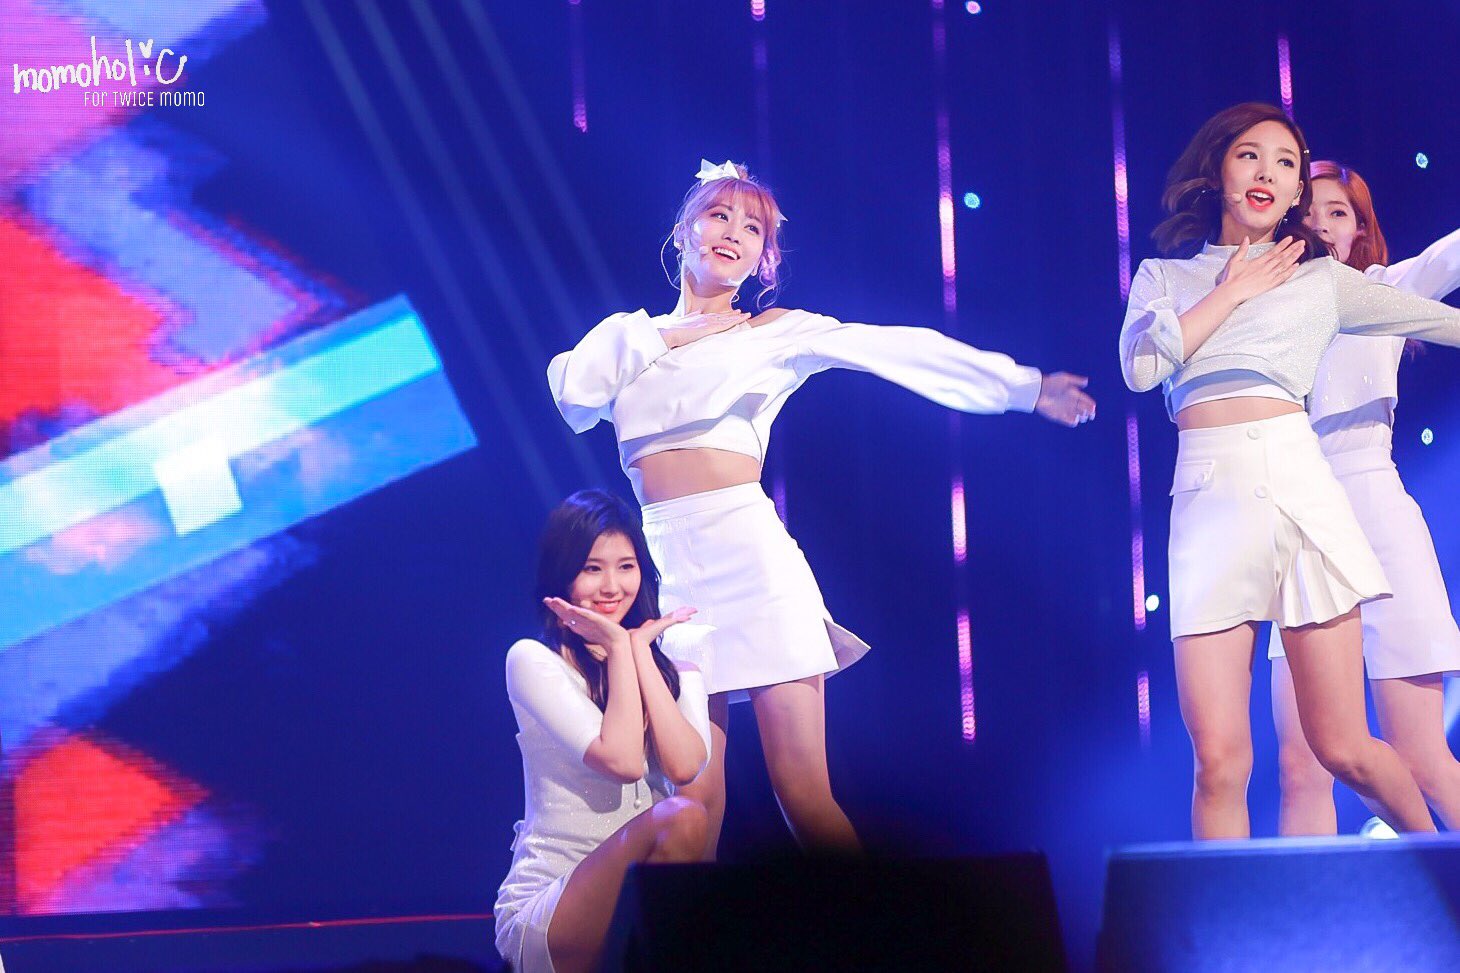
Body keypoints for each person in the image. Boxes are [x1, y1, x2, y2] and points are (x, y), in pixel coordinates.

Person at [548, 158, 1097, 856]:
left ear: (763, 257)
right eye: (718, 215)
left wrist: (1021, 386)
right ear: (682, 230)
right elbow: (575, 395)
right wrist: (673, 333)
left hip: (753, 564)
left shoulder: (775, 332)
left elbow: (896, 349)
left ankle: (877, 924)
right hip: (675, 577)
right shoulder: (629, 338)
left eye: (753, 228)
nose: (733, 233)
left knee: (803, 793)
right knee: (690, 802)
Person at [1119, 102, 1460, 838]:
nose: (1267, 172)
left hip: (1302, 494)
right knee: (1219, 762)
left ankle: (1436, 865)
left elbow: (1442, 321)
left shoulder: (1322, 282)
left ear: (1296, 189)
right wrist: (1233, 288)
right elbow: (1142, 368)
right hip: (1208, 504)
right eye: (1250, 155)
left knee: (1344, 748)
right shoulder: (1165, 276)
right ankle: (1233, 916)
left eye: (1285, 163)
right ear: (1219, 169)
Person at [1268, 161, 1460, 834]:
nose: (1322, 223)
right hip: (1299, 523)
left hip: (1375, 512)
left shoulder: (1383, 289)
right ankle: (1308, 907)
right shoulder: (1262, 310)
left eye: (1338, 212)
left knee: (1423, 758)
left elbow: (1449, 256)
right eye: (1309, 211)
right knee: (1302, 766)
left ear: (1359, 231)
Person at [495, 490, 711, 973]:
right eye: (592, 568)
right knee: (680, 818)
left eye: (626, 566)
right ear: (563, 575)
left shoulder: (680, 672)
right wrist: (618, 648)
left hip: (643, 894)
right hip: (554, 902)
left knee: (687, 817)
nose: (611, 586)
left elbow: (684, 768)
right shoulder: (533, 660)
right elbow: (623, 760)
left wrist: (638, 655)